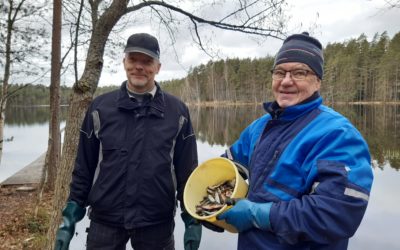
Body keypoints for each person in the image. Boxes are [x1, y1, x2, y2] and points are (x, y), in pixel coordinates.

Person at [216, 32, 374, 249]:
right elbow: (225, 169)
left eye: (299, 73)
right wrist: (212, 209)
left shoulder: (338, 135)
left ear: (317, 81)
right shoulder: (259, 127)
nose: (286, 81)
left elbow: (337, 214)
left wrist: (259, 214)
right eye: (279, 72)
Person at [54, 33, 202, 250]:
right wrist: (69, 217)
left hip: (156, 221)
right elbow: (84, 167)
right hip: (105, 219)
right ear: (124, 62)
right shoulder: (99, 108)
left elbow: (187, 170)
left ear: (158, 67)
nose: (139, 67)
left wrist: (192, 218)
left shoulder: (178, 112)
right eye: (133, 60)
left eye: (147, 61)